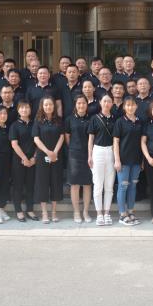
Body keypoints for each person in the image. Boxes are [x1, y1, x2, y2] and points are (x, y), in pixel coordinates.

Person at [33, 96, 65, 223]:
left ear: (54, 106)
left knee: (56, 182)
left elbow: (62, 136)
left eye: (50, 104)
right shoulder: (38, 121)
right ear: (42, 106)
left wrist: (54, 152)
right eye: (45, 105)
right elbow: (36, 139)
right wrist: (48, 152)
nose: (48, 107)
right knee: (43, 183)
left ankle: (54, 212)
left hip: (56, 156)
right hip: (42, 156)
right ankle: (44, 213)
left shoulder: (59, 120)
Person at [113, 96, 144, 226]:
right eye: (128, 105)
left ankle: (130, 212)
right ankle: (122, 214)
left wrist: (142, 160)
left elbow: (143, 142)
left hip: (136, 159)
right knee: (123, 186)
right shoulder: (120, 122)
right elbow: (116, 142)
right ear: (124, 107)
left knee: (133, 186)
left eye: (133, 105)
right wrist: (117, 160)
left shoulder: (140, 121)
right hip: (123, 160)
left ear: (136, 106)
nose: (130, 107)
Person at [88, 94, 117, 226]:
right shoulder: (94, 118)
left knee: (109, 185)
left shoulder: (115, 119)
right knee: (98, 184)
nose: (106, 103)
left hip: (111, 151)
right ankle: (99, 214)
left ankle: (107, 213)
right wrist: (90, 155)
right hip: (98, 151)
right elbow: (91, 139)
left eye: (109, 101)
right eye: (104, 101)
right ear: (100, 102)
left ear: (112, 103)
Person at [64, 95, 93, 224]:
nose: (81, 105)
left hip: (89, 154)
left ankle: (85, 211)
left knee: (87, 183)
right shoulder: (69, 119)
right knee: (75, 184)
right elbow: (67, 137)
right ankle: (76, 211)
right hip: (74, 154)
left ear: (87, 105)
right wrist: (73, 148)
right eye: (79, 103)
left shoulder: (91, 119)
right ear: (75, 105)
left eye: (84, 103)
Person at [9, 101, 38, 222]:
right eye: (22, 108)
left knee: (30, 185)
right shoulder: (14, 125)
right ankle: (18, 210)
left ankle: (30, 209)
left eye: (27, 107)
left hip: (33, 160)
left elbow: (38, 142)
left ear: (30, 110)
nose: (24, 110)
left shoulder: (35, 124)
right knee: (18, 185)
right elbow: (14, 144)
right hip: (19, 160)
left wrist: (34, 158)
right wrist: (25, 158)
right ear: (18, 110)